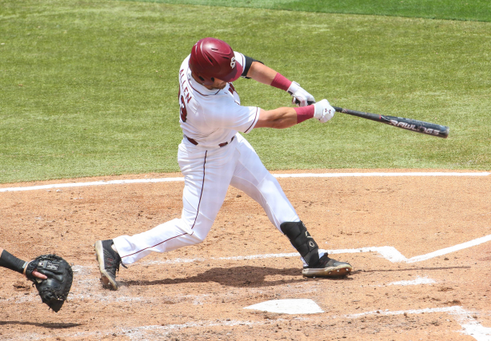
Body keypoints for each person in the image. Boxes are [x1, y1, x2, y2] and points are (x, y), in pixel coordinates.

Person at [94, 37, 352, 290]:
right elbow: (273, 119)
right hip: (206, 158)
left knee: (267, 187)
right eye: (222, 79)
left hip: (230, 143)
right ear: (205, 78)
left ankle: (313, 257)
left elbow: (249, 66)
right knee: (193, 229)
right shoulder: (208, 107)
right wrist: (313, 112)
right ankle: (118, 249)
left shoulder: (197, 61)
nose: (229, 79)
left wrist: (291, 87)